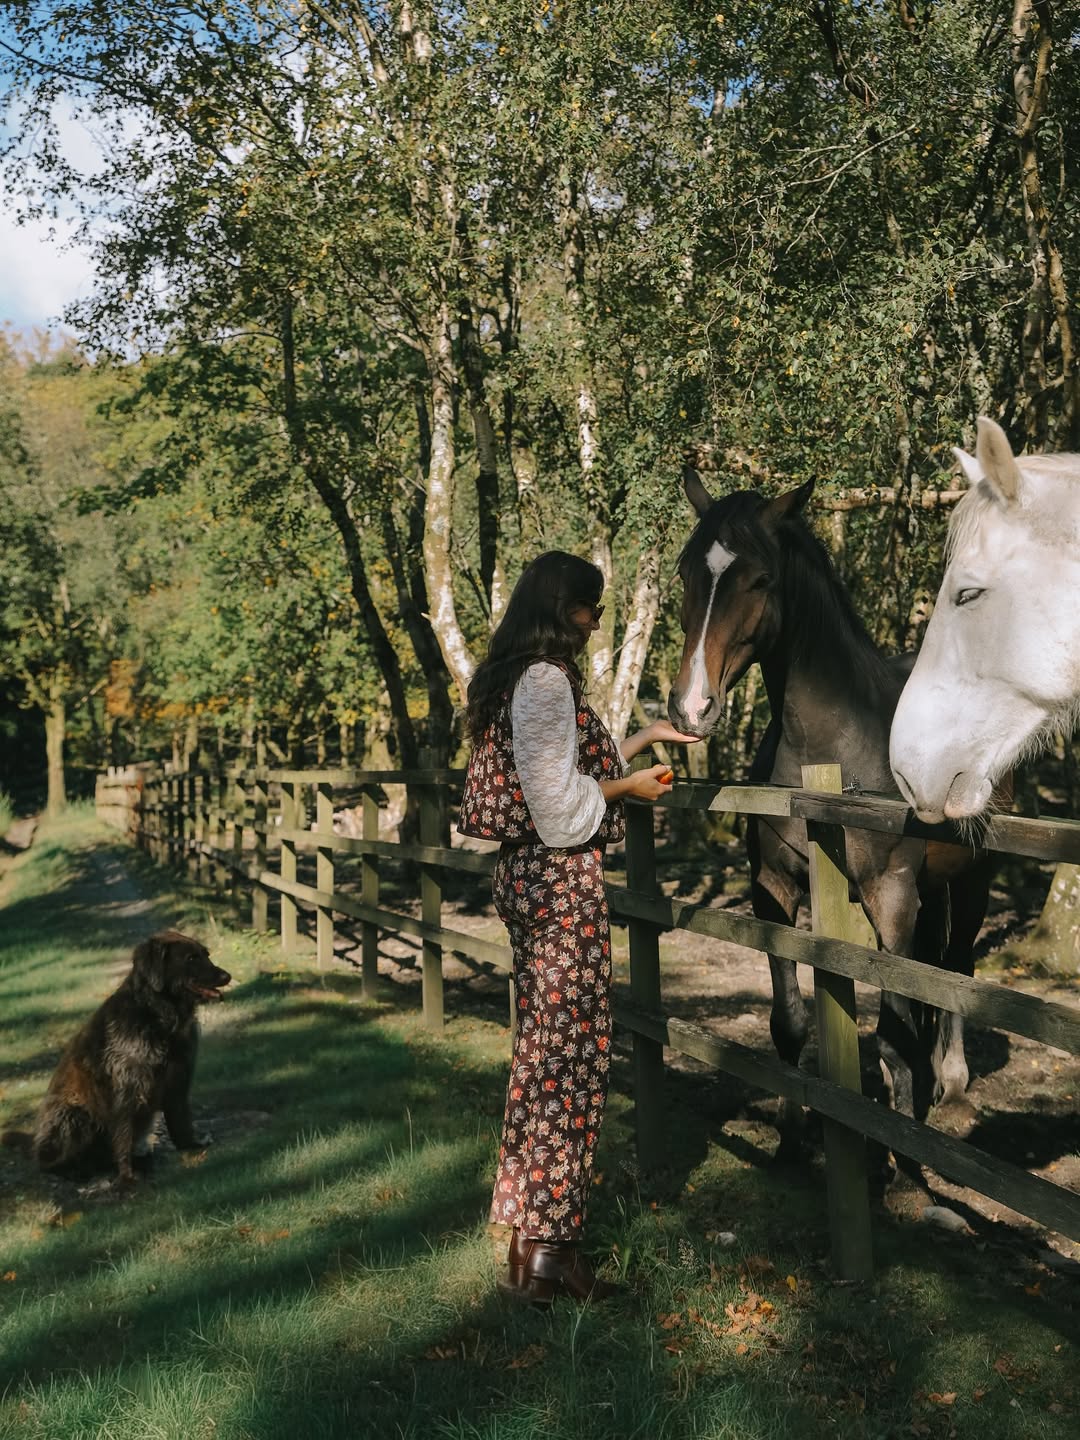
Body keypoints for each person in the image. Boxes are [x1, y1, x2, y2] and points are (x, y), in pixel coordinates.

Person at [459, 550, 700, 1304]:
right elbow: (561, 810)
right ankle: (552, 1257)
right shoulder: (543, 681)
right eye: (591, 607)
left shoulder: (515, 679)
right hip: (559, 882)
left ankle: (526, 1242)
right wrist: (629, 788)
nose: (597, 622)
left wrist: (641, 741)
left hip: (528, 879)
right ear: (564, 609)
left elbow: (556, 769)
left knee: (542, 1052)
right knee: (570, 1062)